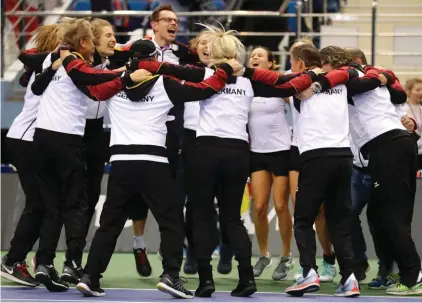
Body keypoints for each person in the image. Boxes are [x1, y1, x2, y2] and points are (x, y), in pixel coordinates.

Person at [136, 24, 324, 298]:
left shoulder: (205, 73)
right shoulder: (250, 80)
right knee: (232, 217)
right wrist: (314, 75)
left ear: (213, 53)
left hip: (206, 149)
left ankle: (205, 280)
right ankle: (246, 279)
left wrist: (140, 64)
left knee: (200, 215)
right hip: (237, 153)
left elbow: (170, 69)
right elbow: (287, 84)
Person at [73, 38, 242, 299]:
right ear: (154, 59)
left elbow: (86, 86)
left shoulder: (114, 86)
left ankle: (90, 276)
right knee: (171, 221)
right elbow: (208, 89)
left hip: (120, 163)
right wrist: (226, 70)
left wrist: (119, 75)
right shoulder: (165, 83)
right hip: (153, 162)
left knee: (109, 224)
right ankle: (171, 276)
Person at [31, 18, 129, 292]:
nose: (114, 40)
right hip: (72, 135)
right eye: (108, 36)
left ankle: (54, 262)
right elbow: (91, 86)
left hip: (89, 136)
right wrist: (121, 75)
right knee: (75, 202)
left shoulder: (87, 59)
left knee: (76, 201)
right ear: (90, 41)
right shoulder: (76, 62)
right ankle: (66, 261)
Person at [317, 45, 422, 296]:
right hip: (399, 145)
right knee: (381, 214)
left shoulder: (351, 78)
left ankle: (413, 276)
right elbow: (398, 95)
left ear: (333, 64)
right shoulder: (371, 76)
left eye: (324, 67)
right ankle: (399, 271)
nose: (323, 72)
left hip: (388, 147)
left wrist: (378, 77)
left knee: (391, 216)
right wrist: (382, 77)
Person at [0, 24, 62, 288]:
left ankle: (31, 261)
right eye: (63, 40)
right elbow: (28, 55)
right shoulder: (46, 64)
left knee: (45, 205)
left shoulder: (59, 67)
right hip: (25, 140)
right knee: (38, 204)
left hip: (35, 142)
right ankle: (12, 261)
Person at [288, 38, 337, 283]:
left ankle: (329, 259)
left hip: (323, 148)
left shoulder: (329, 80)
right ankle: (308, 265)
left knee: (322, 213)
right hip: (297, 148)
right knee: (304, 211)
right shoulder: (291, 78)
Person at [247, 46, 295, 281]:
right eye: (252, 55)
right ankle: (264, 254)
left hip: (281, 151)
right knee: (258, 207)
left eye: (260, 55)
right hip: (257, 152)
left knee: (281, 205)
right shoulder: (246, 86)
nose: (255, 57)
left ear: (271, 63)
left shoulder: (280, 83)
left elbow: (297, 102)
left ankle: (286, 256)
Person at [404, 78, 422, 169]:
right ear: (408, 92)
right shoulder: (403, 109)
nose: (421, 93)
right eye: (417, 90)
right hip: (411, 151)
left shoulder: (421, 108)